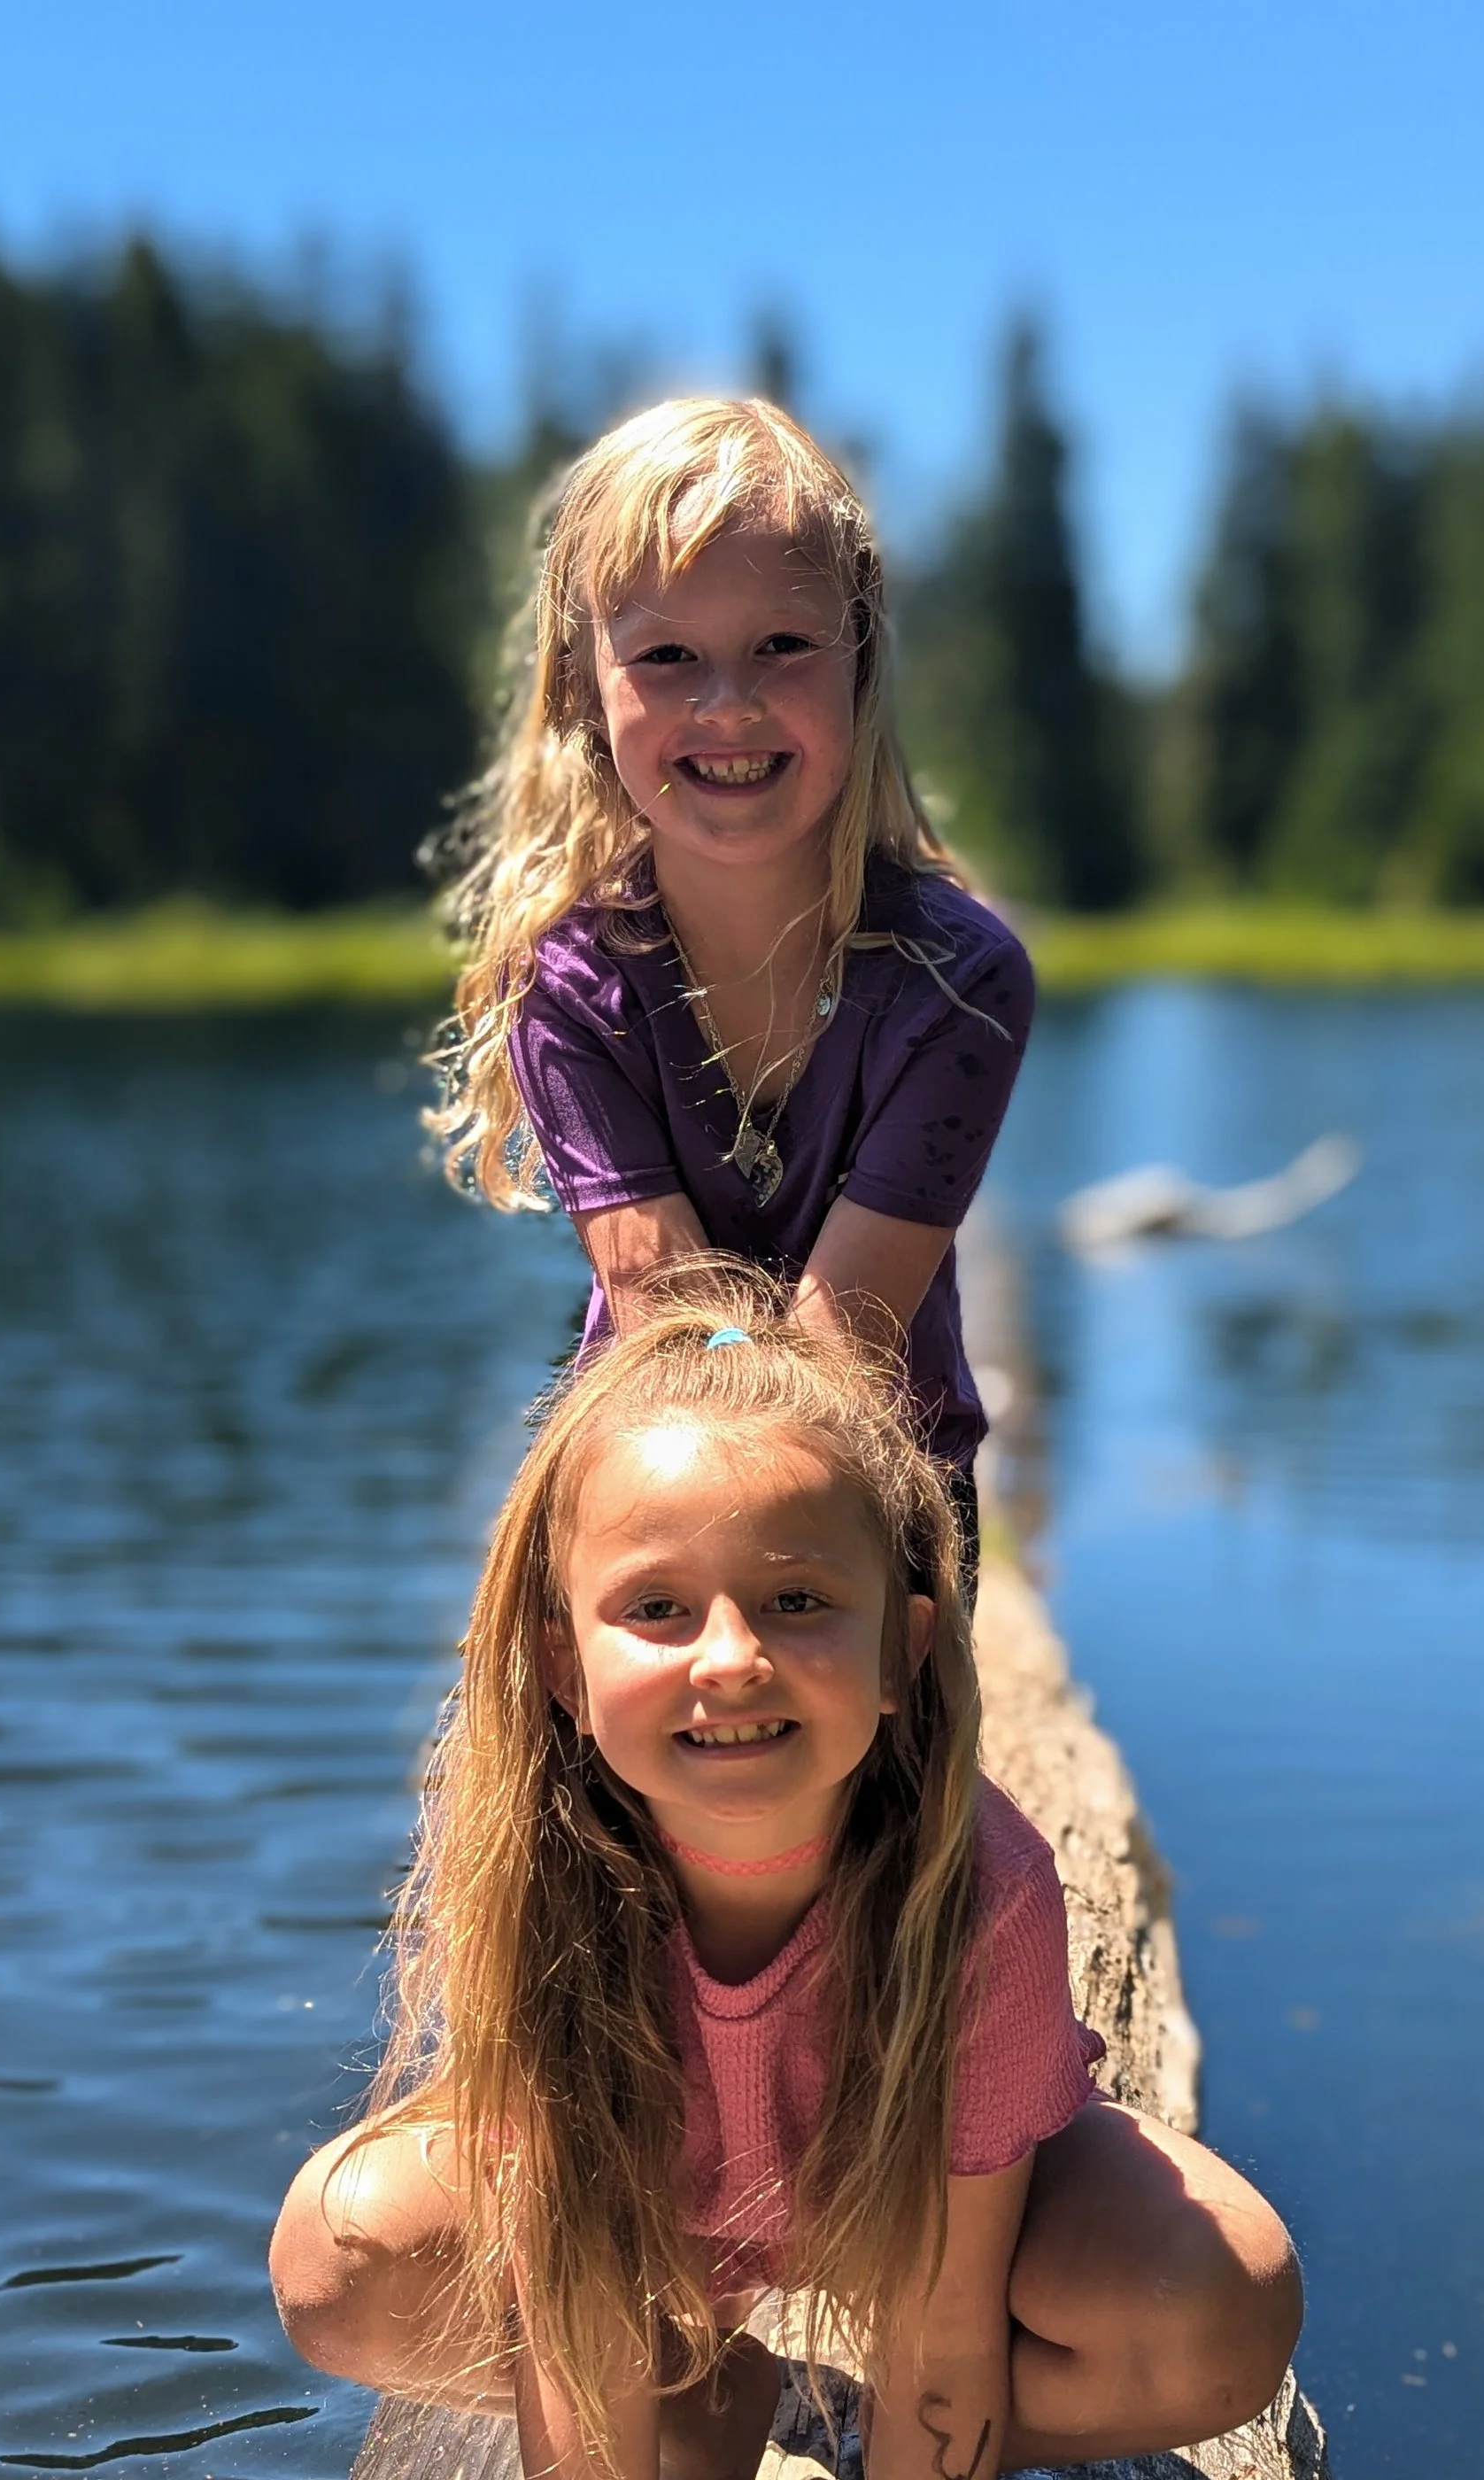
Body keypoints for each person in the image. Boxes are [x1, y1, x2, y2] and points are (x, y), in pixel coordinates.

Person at [270, 1286, 1303, 2480]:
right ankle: (717, 2390)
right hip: (673, 2209)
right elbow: (567, 2321)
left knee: (1216, 2307)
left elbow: (955, 2331)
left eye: (798, 1599)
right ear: (559, 1659)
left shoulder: (978, 1892)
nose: (731, 1659)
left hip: (911, 2231)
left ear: (906, 1647)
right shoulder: (536, 1883)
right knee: (341, 2258)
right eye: (658, 1608)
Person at [427, 394, 1034, 1589]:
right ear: (582, 696)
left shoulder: (957, 983)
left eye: (783, 647)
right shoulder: (569, 984)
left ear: (861, 666)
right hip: (652, 1499)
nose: (728, 705)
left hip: (881, 1526)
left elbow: (843, 1349)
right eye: (667, 657)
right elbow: (665, 1312)